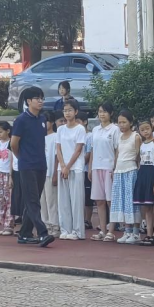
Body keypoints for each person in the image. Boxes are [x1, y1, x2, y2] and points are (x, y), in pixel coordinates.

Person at [11, 87, 55, 247]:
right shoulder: (21, 120)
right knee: (32, 201)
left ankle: (24, 233)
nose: (40, 101)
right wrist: (21, 158)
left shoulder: (42, 119)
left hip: (41, 164)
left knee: (32, 201)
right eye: (37, 98)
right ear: (28, 101)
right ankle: (43, 233)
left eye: (42, 98)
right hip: (27, 165)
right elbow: (13, 144)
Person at [110, 110, 142, 244]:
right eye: (119, 122)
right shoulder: (119, 137)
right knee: (122, 201)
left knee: (132, 201)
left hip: (131, 171)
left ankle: (136, 232)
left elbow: (139, 156)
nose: (121, 125)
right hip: (119, 171)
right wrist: (114, 169)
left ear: (130, 123)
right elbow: (117, 154)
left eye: (124, 122)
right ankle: (127, 231)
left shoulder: (136, 137)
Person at [89, 102, 120, 241]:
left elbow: (117, 150)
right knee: (99, 200)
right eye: (100, 111)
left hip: (109, 167)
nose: (102, 114)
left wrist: (115, 167)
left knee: (110, 200)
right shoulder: (95, 130)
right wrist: (91, 167)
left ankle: (111, 231)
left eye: (105, 111)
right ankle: (102, 230)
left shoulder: (115, 129)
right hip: (97, 167)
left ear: (111, 113)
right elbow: (93, 150)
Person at [56, 99, 86, 240]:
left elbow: (78, 150)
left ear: (76, 112)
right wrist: (62, 166)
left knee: (76, 201)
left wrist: (68, 167)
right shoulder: (60, 129)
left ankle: (77, 231)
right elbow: (58, 148)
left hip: (76, 168)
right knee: (63, 201)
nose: (67, 113)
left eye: (70, 110)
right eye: (65, 110)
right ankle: (65, 229)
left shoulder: (80, 129)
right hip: (62, 169)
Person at [135, 120, 154, 246]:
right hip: (143, 173)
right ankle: (149, 233)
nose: (145, 132)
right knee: (147, 206)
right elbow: (139, 160)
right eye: (142, 130)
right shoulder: (142, 144)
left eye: (147, 128)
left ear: (151, 128)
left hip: (153, 172)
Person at [40, 111, 60, 237]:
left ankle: (55, 225)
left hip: (50, 172)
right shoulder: (39, 137)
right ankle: (45, 225)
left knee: (51, 201)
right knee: (42, 201)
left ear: (51, 122)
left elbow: (57, 156)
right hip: (40, 172)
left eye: (46, 121)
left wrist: (55, 173)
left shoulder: (55, 136)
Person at [78, 111, 94, 230]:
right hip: (77, 169)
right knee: (80, 196)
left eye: (78, 121)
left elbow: (88, 154)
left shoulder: (89, 136)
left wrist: (78, 163)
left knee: (88, 197)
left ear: (85, 122)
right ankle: (80, 219)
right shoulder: (76, 134)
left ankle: (88, 220)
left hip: (85, 169)